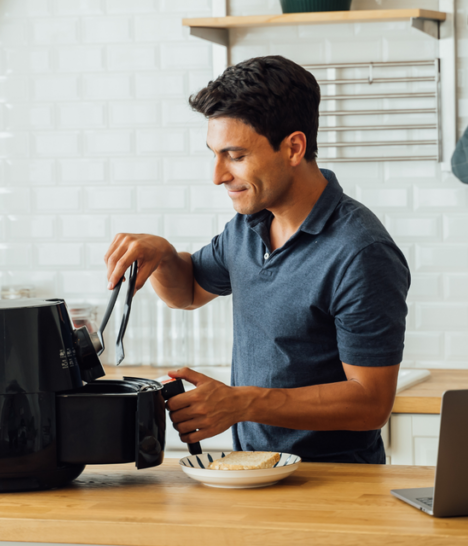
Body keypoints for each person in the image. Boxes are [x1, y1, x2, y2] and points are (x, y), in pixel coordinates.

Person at [103, 55, 410, 464]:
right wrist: (162, 256)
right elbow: (189, 292)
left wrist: (242, 403)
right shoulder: (247, 226)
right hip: (254, 471)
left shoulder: (360, 252)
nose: (218, 175)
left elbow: (370, 403)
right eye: (214, 154)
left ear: (294, 148)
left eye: (235, 155)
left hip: (333, 483)